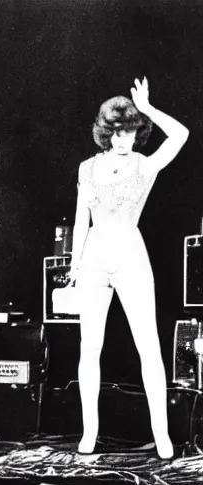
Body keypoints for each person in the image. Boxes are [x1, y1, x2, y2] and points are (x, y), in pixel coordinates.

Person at [69, 78, 189, 459]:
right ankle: (89, 433)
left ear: (138, 134)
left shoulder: (146, 164)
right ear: (106, 133)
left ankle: (162, 434)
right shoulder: (87, 168)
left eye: (131, 132)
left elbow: (182, 134)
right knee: (90, 347)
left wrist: (149, 108)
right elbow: (79, 220)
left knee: (148, 346)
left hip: (131, 256)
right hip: (94, 259)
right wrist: (74, 262)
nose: (123, 140)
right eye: (117, 132)